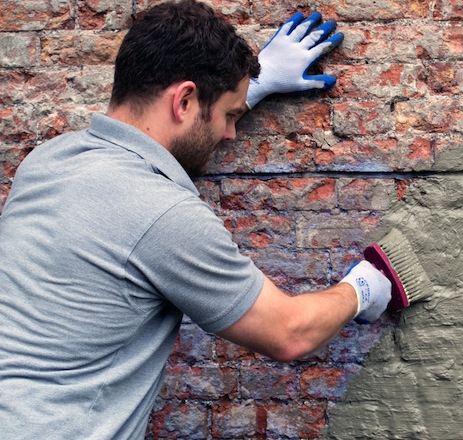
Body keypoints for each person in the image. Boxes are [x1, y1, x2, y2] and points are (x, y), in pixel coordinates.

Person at [0, 1, 392, 439]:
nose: (230, 134)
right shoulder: (165, 215)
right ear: (184, 99)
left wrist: (242, 93)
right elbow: (288, 332)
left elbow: (142, 159)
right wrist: (362, 289)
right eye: (228, 117)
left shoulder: (48, 160)